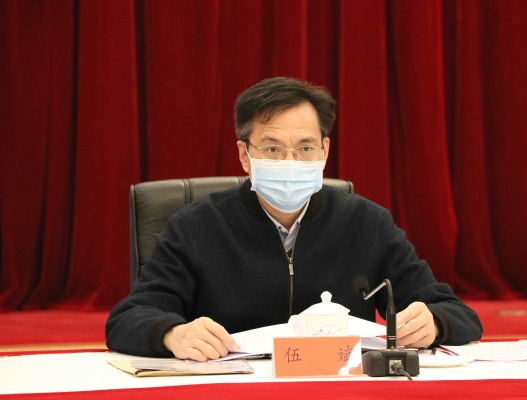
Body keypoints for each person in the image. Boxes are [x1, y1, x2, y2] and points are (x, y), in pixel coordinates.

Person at [106, 77, 482, 361]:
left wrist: (434, 322)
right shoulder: (197, 226)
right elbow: (128, 318)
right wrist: (171, 333)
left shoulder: (367, 223)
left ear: (324, 150)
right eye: (272, 149)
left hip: (338, 388)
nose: (290, 162)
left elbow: (457, 314)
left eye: (305, 148)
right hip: (234, 388)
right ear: (244, 155)